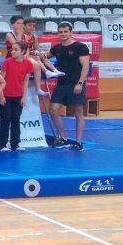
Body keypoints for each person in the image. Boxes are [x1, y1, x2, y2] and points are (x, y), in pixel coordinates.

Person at [43, 23, 90, 151]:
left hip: (76, 83)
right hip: (62, 83)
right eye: (60, 32)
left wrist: (80, 83)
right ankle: (63, 139)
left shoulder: (80, 47)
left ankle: (79, 142)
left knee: (78, 112)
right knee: (53, 110)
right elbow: (45, 56)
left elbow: (85, 67)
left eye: (65, 31)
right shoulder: (57, 48)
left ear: (70, 32)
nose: (62, 34)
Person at [0, 42, 34, 152]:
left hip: (18, 96)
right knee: (5, 120)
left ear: (22, 51)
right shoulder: (7, 62)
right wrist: (1, 95)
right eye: (12, 49)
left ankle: (15, 144)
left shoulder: (28, 64)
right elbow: (1, 80)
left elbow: (26, 81)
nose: (12, 51)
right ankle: (2, 145)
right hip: (6, 96)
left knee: (16, 120)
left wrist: (24, 97)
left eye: (16, 49)